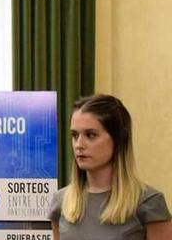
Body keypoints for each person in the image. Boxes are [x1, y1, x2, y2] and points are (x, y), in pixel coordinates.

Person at [49, 94, 172, 240]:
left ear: (118, 139)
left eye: (91, 135)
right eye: (75, 135)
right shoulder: (62, 201)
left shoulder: (148, 203)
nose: (79, 145)